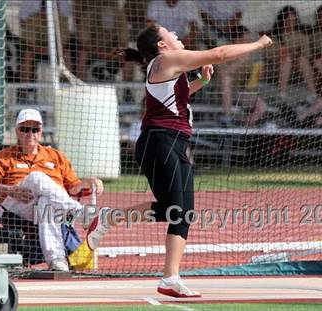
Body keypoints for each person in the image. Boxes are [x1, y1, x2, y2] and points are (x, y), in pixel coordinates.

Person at [115, 24, 272, 297]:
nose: (175, 35)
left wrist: (202, 82)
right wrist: (257, 45)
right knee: (178, 210)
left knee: (177, 210)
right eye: (169, 33)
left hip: (169, 142)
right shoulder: (167, 59)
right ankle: (170, 278)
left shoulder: (165, 64)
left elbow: (176, 98)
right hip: (160, 141)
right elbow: (220, 54)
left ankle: (110, 220)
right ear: (162, 44)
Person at [0, 109, 108, 272]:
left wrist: (88, 182)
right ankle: (82, 214)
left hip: (47, 207)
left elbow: (73, 187)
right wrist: (9, 189)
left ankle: (56, 260)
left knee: (46, 202)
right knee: (37, 178)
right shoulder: (4, 156)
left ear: (41, 132)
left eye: (35, 129)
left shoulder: (56, 156)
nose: (30, 134)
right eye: (25, 129)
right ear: (17, 131)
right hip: (14, 207)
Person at [19, 0, 73, 83]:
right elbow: (30, 44)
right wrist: (42, 50)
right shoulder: (32, 19)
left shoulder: (60, 20)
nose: (46, 14)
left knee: (67, 54)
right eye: (44, 10)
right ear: (41, 9)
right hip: (37, 51)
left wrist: (53, 50)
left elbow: (63, 43)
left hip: (56, 52)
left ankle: (66, 83)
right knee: (27, 55)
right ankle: (24, 88)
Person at [270, 6, 316, 102]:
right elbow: (270, 54)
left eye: (293, 20)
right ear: (282, 20)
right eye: (288, 20)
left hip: (298, 65)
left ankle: (313, 93)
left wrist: (296, 55)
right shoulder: (274, 36)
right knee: (287, 59)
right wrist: (289, 53)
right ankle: (282, 93)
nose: (291, 23)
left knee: (303, 60)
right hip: (277, 65)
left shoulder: (301, 36)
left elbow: (307, 54)